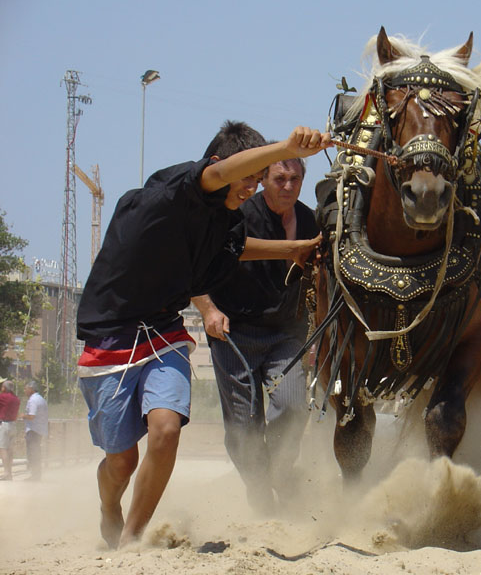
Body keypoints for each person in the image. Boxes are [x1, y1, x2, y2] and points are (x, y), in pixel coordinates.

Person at [75, 121, 331, 549]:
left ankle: (131, 542)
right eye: (248, 178)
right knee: (121, 462)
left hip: (164, 333)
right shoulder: (176, 192)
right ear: (220, 167)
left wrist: (293, 249)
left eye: (255, 181)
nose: (250, 189)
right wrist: (285, 147)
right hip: (111, 337)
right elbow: (216, 177)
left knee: (166, 430)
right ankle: (109, 508)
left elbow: (235, 249)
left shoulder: (226, 221)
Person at [192, 152, 316, 511]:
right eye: (280, 179)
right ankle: (259, 490)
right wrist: (208, 309)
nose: (287, 187)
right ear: (262, 180)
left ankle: (278, 472)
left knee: (294, 410)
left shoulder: (310, 220)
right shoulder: (238, 216)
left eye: (295, 180)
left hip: (287, 335)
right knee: (244, 427)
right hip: (234, 333)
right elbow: (193, 265)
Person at [19, 380, 47, 481]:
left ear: (31, 389)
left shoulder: (33, 400)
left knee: (33, 453)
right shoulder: (41, 399)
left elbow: (31, 416)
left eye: (26, 388)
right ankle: (36, 475)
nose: (25, 390)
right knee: (36, 452)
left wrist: (23, 416)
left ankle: (35, 476)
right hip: (39, 430)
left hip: (33, 430)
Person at [0, 378, 21, 480]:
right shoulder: (16, 399)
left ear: (4, 388)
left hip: (4, 425)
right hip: (13, 425)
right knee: (10, 450)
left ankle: (6, 473)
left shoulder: (3, 397)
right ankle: (10, 473)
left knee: (3, 449)